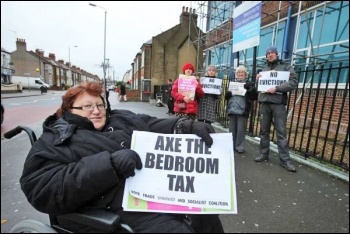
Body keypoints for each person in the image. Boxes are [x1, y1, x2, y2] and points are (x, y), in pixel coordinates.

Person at [19, 81, 220, 233]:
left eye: (100, 104)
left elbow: (151, 125)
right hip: (111, 206)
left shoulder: (121, 117)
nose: (97, 111)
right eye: (87, 106)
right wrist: (110, 166)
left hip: (156, 190)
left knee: (205, 215)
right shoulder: (57, 138)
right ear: (69, 111)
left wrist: (183, 126)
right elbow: (40, 186)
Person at [255, 46, 298, 172]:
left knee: (281, 132)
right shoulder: (263, 68)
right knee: (263, 131)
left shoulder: (286, 67)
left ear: (277, 54)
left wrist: (277, 88)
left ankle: (285, 160)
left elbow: (293, 82)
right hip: (264, 103)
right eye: (268, 53)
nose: (270, 55)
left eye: (272, 53)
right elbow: (259, 87)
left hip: (278, 104)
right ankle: (263, 154)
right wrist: (257, 80)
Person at [225, 65, 258, 154]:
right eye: (238, 72)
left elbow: (254, 97)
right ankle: (231, 145)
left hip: (242, 109)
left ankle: (239, 146)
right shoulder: (232, 83)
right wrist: (227, 95)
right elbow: (227, 97)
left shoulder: (249, 84)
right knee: (231, 129)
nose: (240, 74)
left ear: (245, 74)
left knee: (241, 129)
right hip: (232, 108)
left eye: (242, 72)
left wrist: (250, 89)